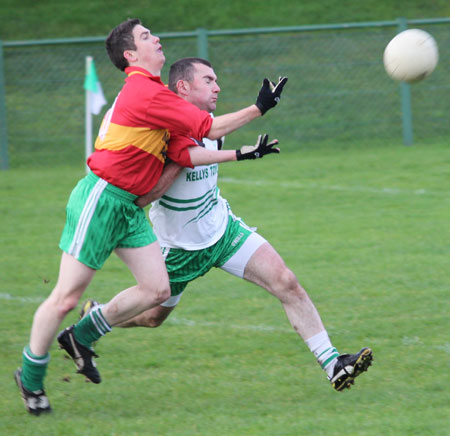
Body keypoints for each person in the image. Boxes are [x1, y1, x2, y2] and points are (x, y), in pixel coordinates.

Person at [14, 18, 287, 416]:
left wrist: (241, 153)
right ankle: (30, 378)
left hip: (128, 207)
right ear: (130, 55)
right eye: (145, 37)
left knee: (157, 291)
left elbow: (187, 149)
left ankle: (82, 335)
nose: (156, 38)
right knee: (65, 298)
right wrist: (259, 108)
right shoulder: (143, 90)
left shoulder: (156, 93)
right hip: (103, 198)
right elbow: (207, 127)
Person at [83, 57, 373, 396]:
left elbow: (214, 132)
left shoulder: (210, 125)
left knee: (287, 282)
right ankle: (96, 319)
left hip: (223, 232)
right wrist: (253, 112)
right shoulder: (160, 133)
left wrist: (248, 137)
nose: (217, 87)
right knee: (152, 318)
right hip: (178, 249)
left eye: (216, 80)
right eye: (208, 80)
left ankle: (333, 364)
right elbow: (146, 195)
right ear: (183, 87)